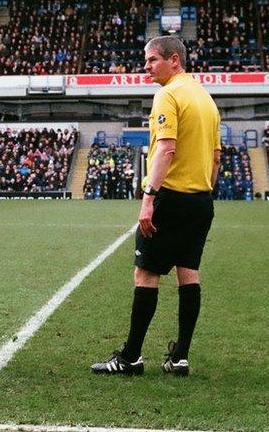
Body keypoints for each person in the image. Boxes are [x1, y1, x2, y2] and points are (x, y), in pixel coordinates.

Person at [92, 36, 221, 377]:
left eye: (151, 60)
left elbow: (165, 148)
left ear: (174, 60)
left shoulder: (168, 94)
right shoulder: (205, 99)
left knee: (146, 273)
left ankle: (131, 357)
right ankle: (180, 357)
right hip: (201, 199)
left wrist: (149, 197)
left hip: (172, 197)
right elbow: (216, 158)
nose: (146, 66)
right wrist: (203, 192)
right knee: (188, 272)